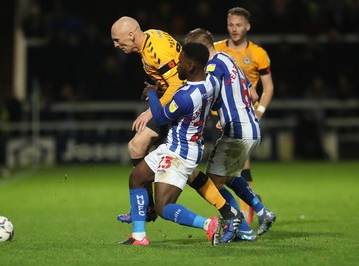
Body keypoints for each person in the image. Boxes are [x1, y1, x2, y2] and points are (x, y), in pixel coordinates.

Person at [111, 16, 244, 230]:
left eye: (117, 40)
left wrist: (151, 110)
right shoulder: (150, 38)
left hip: (182, 105)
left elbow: (176, 84)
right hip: (184, 101)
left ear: (131, 35)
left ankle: (150, 208)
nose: (115, 45)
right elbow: (170, 79)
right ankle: (229, 212)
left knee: (138, 147)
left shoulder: (156, 50)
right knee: (187, 171)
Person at [182, 28, 276, 240]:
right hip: (251, 127)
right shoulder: (229, 59)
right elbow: (252, 94)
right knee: (229, 175)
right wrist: (228, 112)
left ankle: (238, 227)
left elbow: (206, 93)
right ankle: (263, 212)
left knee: (212, 182)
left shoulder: (213, 65)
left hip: (238, 129)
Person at [214, 7, 275, 224]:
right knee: (232, 166)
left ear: (247, 26)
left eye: (239, 25)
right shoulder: (216, 48)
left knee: (237, 163)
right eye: (231, 24)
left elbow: (268, 87)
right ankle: (252, 205)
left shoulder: (258, 54)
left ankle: (242, 214)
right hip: (219, 117)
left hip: (245, 115)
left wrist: (259, 111)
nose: (234, 29)